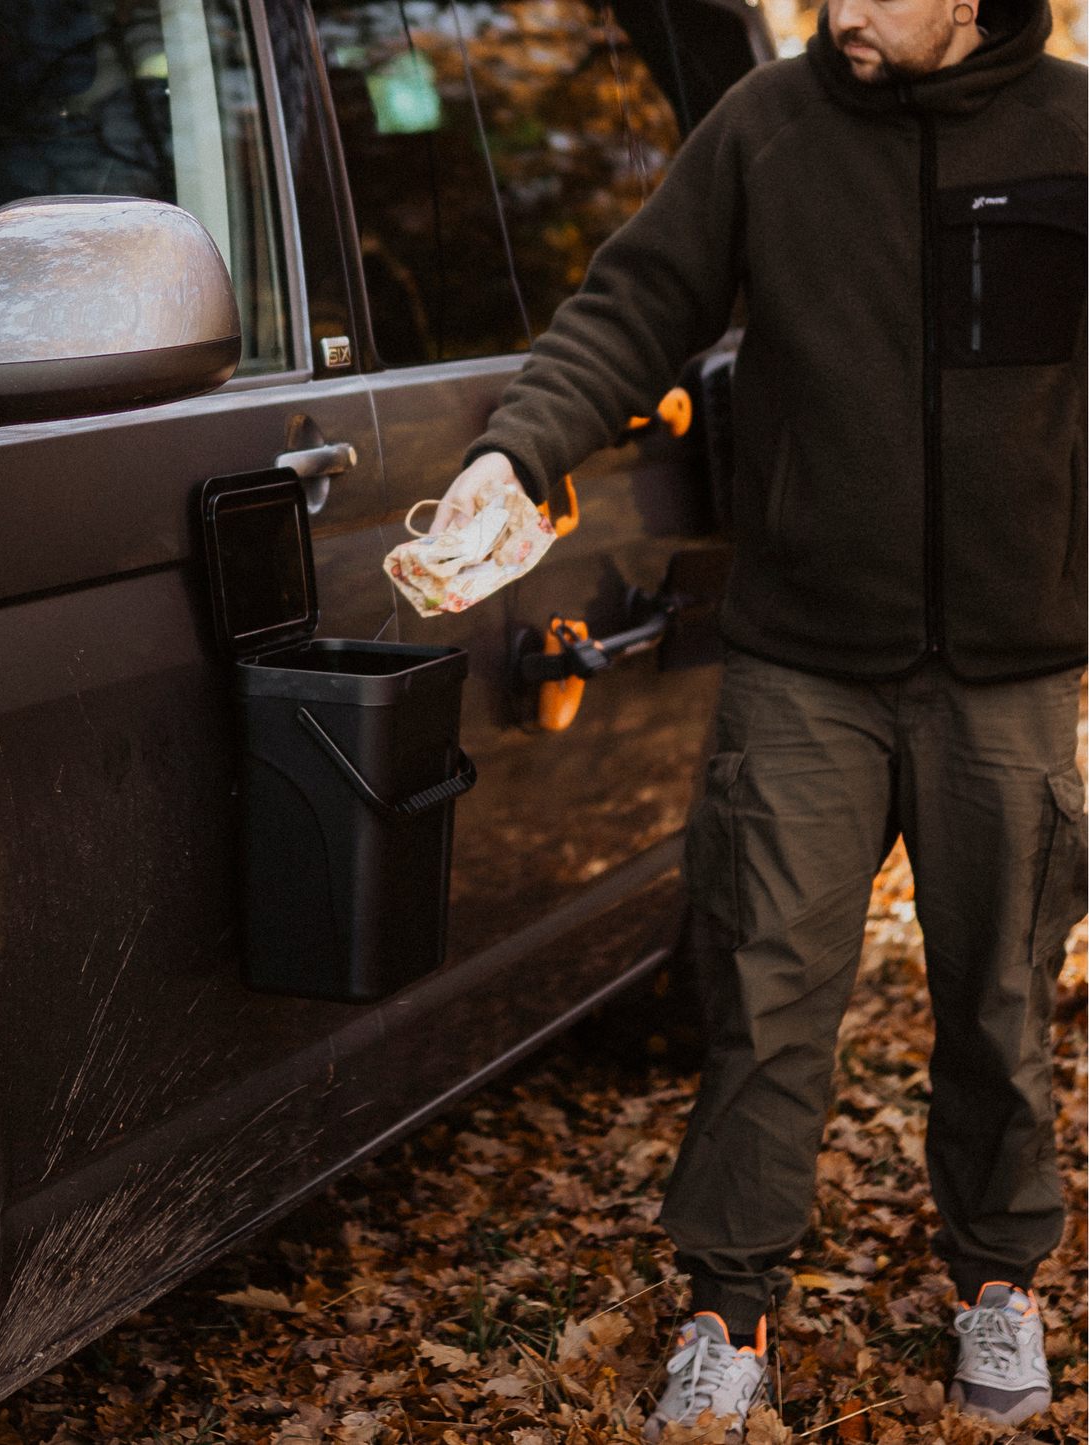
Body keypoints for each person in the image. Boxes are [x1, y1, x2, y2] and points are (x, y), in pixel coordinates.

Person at [430, 0, 1087, 1434]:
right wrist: (512, 456)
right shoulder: (766, 128)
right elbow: (626, 311)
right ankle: (729, 1312)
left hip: (1014, 668)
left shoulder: (1073, 136)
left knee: (997, 999)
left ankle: (998, 1281)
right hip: (803, 666)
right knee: (766, 996)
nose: (839, 10)